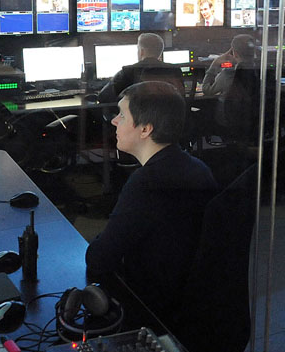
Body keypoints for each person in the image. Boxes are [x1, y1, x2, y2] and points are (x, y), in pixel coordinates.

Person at [85, 81, 220, 324]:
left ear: (145, 129)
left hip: (151, 311)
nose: (114, 121)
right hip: (192, 304)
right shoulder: (198, 167)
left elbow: (99, 258)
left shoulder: (146, 183)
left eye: (122, 115)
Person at [97, 32, 184, 104]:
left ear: (141, 51)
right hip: (170, 118)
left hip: (139, 118)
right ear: (160, 53)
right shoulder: (175, 70)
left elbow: (103, 97)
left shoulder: (128, 71)